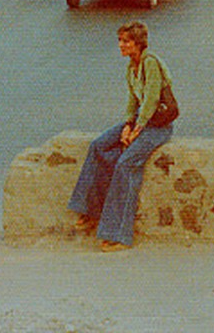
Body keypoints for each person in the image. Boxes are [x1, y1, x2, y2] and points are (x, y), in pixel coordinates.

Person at [68, 21, 177, 252]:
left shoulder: (151, 63)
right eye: (120, 40)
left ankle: (119, 234)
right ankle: (90, 210)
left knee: (126, 165)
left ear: (137, 43)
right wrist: (128, 125)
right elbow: (133, 101)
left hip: (157, 125)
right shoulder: (131, 68)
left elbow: (150, 101)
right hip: (139, 120)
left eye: (125, 41)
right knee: (99, 146)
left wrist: (136, 131)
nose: (121, 45)